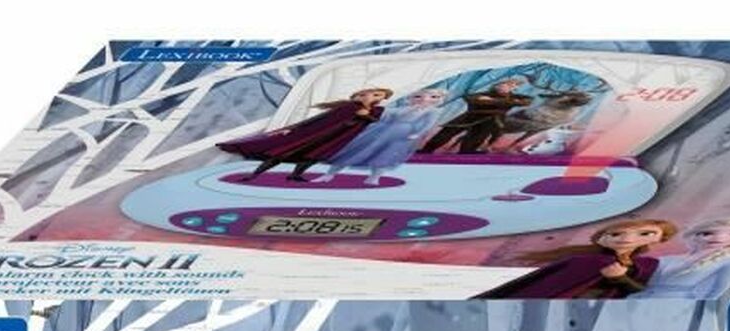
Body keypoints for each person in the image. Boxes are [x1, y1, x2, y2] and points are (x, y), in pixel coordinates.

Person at [475, 217, 677, 300]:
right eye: (615, 234)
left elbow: (642, 292)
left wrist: (620, 278)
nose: (627, 239)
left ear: (660, 238)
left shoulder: (646, 265)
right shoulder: (588, 262)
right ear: (602, 239)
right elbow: (544, 289)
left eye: (645, 234)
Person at [218, 88, 393, 183]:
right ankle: (254, 175)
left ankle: (295, 175)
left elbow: (375, 121)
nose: (375, 97)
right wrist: (294, 129)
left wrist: (366, 114)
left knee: (313, 156)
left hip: (338, 138)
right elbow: (321, 120)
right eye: (373, 94)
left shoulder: (377, 110)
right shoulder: (348, 107)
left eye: (379, 96)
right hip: (315, 134)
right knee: (284, 153)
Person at [313, 89, 448, 185]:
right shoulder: (401, 109)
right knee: (356, 149)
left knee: (385, 155)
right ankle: (329, 174)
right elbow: (384, 116)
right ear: (410, 98)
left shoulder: (433, 111)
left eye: (433, 97)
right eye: (418, 96)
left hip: (401, 134)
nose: (425, 99)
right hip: (381, 131)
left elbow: (427, 124)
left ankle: (374, 177)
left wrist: (418, 133)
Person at [638, 215, 730, 299]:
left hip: (683, 313)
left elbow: (722, 296)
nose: (719, 238)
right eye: (707, 233)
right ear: (693, 236)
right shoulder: (667, 259)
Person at [419, 77, 531, 154]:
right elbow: (471, 98)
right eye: (505, 84)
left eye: (512, 85)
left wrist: (492, 100)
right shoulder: (482, 94)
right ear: (497, 85)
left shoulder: (515, 97)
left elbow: (525, 101)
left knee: (475, 139)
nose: (507, 87)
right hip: (469, 116)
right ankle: (427, 150)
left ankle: (466, 153)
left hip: (490, 120)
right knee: (447, 132)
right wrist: (501, 101)